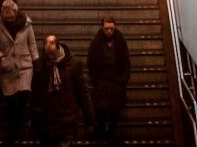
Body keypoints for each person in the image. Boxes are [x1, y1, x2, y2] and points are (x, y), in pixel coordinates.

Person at [0, 0, 38, 147]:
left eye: (11, 17)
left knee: (24, 94)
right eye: (7, 17)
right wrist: (0, 57)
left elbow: (32, 43)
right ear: (3, 14)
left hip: (24, 66)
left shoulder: (26, 24)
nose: (9, 20)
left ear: (16, 14)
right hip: (7, 67)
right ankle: (14, 127)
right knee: (10, 102)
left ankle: (15, 128)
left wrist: (36, 60)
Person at [31, 34, 95, 147]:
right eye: (48, 54)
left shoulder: (73, 63)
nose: (50, 57)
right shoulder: (41, 63)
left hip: (67, 120)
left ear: (58, 47)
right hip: (47, 120)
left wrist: (89, 120)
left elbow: (83, 93)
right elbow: (35, 91)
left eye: (52, 53)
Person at [87, 17, 131, 146]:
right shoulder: (96, 42)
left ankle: (111, 133)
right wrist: (95, 80)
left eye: (111, 28)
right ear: (102, 27)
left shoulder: (120, 41)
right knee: (101, 110)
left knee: (115, 110)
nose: (109, 31)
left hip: (116, 81)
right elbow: (91, 61)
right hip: (102, 81)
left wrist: (123, 79)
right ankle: (101, 132)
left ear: (115, 27)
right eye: (107, 28)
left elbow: (126, 61)